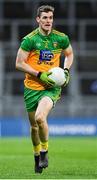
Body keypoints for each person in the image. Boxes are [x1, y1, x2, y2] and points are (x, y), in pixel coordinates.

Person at [15, 5, 74, 174]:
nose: (48, 21)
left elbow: (69, 54)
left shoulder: (61, 38)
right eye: (45, 18)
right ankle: (36, 156)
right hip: (32, 87)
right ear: (38, 20)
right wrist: (39, 74)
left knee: (41, 118)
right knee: (34, 127)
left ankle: (44, 152)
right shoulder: (30, 40)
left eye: (50, 18)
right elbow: (19, 63)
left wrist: (66, 71)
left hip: (50, 88)